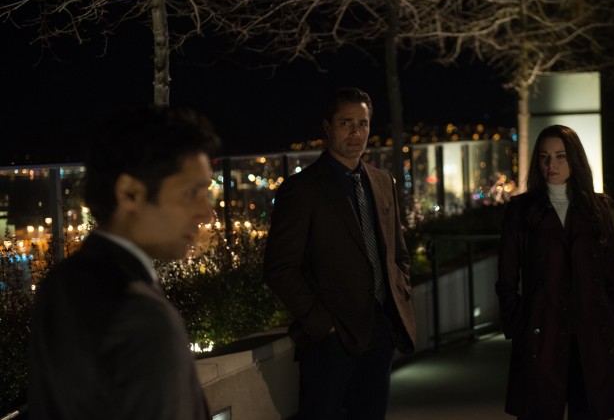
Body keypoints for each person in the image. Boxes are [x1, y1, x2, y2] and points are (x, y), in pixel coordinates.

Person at [27, 106, 221, 420]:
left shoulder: (60, 282)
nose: (206, 213)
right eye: (192, 193)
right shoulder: (142, 316)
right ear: (130, 193)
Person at [264, 87, 416, 420]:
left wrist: (399, 295)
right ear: (327, 127)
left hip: (380, 330)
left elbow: (398, 254)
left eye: (362, 123)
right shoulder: (302, 190)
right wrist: (323, 323)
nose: (355, 132)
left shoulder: (382, 182)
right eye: (346, 123)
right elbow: (279, 268)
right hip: (331, 340)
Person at [495, 125, 614, 420]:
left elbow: (613, 276)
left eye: (560, 156)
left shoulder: (598, 209)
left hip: (591, 335)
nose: (551, 164)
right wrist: (519, 325)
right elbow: (506, 280)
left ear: (574, 159)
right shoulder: (521, 211)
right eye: (544, 157)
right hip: (542, 335)